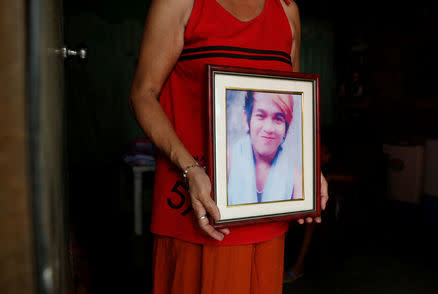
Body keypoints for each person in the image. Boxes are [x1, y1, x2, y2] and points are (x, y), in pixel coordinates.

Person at [128, 0, 329, 292]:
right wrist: (190, 169)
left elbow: (292, 102)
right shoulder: (180, 3)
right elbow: (142, 94)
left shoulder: (286, 11)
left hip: (266, 218)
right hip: (198, 208)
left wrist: (306, 169)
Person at [227, 91, 303, 205]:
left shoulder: (296, 178)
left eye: (278, 119)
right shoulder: (226, 162)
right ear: (246, 119)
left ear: (286, 128)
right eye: (260, 116)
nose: (268, 128)